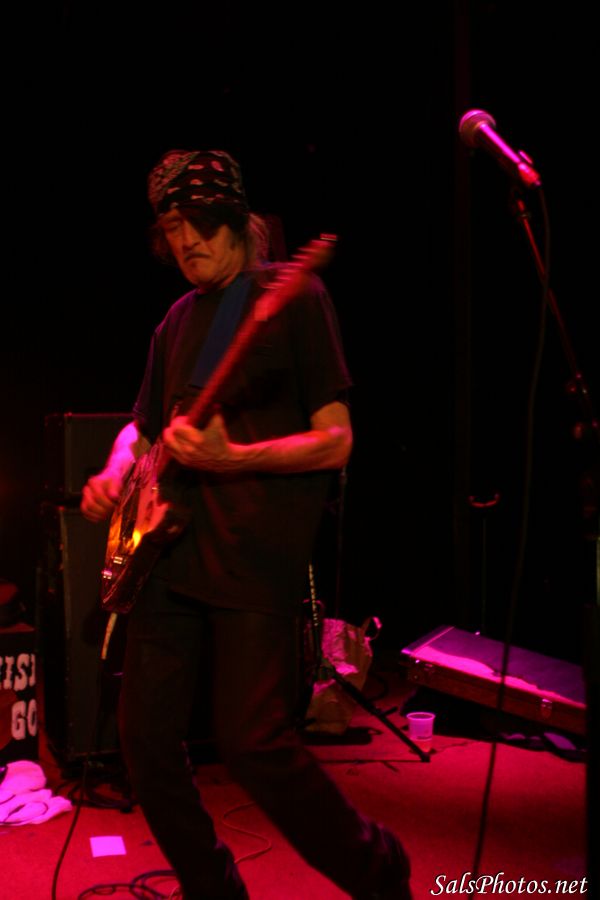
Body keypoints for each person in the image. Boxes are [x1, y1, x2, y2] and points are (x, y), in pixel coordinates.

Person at [81, 149, 411, 900]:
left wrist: (234, 458)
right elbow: (142, 427)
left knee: (254, 745)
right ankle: (213, 887)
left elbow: (337, 440)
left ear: (235, 220)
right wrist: (112, 472)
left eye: (199, 224)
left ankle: (378, 869)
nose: (186, 241)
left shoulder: (292, 297)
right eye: (173, 227)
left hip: (253, 557)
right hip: (168, 555)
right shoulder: (175, 321)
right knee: (144, 741)